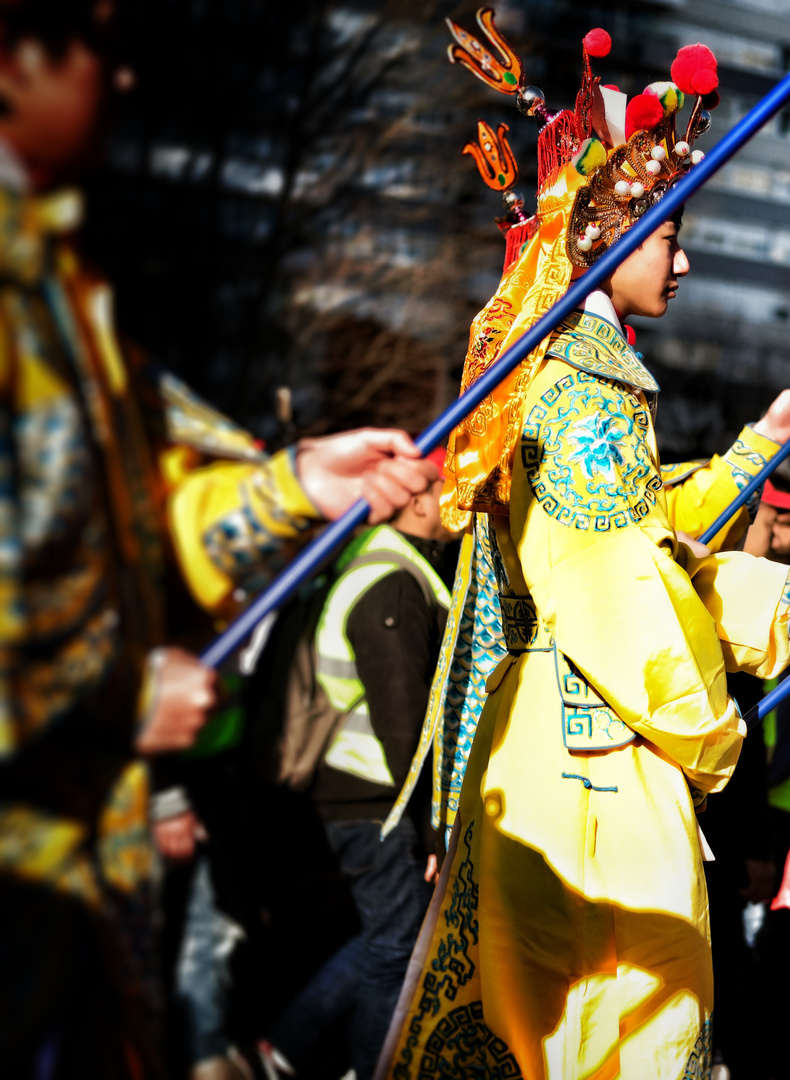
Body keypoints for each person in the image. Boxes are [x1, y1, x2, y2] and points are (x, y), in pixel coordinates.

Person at [379, 19, 790, 1078]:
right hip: (597, 751)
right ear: (613, 242)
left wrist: (759, 453)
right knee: (627, 1017)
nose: (686, 258)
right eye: (671, 236)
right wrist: (712, 726)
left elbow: (650, 535)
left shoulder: (581, 381)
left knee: (564, 1020)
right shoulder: (584, 394)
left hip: (558, 742)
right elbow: (624, 589)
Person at [0, 5, 438, 1073]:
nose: (126, 82)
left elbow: (139, 532)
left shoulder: (60, 288)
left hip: (82, 906)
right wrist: (108, 698)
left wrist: (292, 483)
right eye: (97, 41)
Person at [256, 450, 459, 1079]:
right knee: (395, 951)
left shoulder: (391, 569)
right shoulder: (394, 581)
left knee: (385, 939)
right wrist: (434, 827)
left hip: (372, 794)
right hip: (376, 797)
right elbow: (405, 725)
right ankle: (350, 1065)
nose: (460, 503)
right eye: (450, 487)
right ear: (420, 498)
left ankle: (284, 1048)